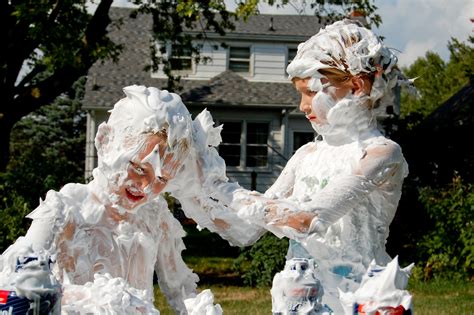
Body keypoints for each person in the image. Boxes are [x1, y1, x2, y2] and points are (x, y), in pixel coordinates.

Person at [193, 19, 412, 313]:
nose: (302, 106)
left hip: (360, 300)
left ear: (357, 87)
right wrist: (192, 188)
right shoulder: (307, 154)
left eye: (310, 92)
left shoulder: (381, 154)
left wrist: (220, 186)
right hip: (298, 300)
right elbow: (245, 229)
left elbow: (306, 219)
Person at [0, 85, 234, 314]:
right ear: (104, 141)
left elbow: (180, 290)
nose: (147, 187)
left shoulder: (155, 215)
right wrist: (96, 299)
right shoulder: (64, 210)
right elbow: (11, 285)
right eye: (139, 169)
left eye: (162, 178)